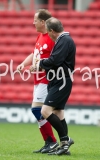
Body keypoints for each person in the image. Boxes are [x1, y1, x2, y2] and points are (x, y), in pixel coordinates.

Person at [17, 9, 70, 155]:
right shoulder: (40, 36)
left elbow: (55, 59)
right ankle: (57, 142)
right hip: (38, 78)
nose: (32, 23)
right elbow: (35, 53)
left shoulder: (52, 38)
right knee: (56, 112)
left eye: (35, 20)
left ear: (42, 22)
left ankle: (52, 141)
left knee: (38, 110)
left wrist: (41, 67)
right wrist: (24, 64)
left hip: (47, 78)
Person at [32, 17, 76, 156]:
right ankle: (65, 147)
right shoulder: (64, 40)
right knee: (58, 113)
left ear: (52, 30)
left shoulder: (65, 40)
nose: (48, 35)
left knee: (45, 111)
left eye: (48, 32)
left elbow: (55, 60)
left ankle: (65, 139)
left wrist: (40, 64)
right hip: (58, 80)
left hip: (61, 80)